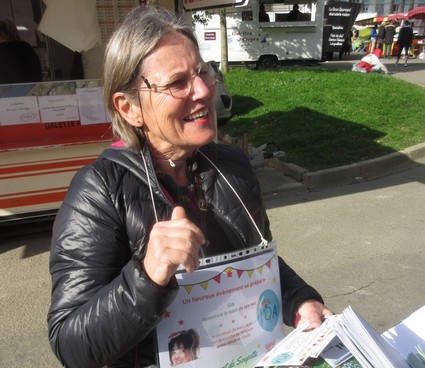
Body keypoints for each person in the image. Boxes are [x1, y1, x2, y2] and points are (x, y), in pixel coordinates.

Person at [47, 6, 333, 368]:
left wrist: (298, 300)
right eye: (177, 82)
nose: (202, 91)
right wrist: (148, 275)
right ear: (129, 108)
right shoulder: (100, 190)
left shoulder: (231, 165)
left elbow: (256, 260)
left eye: (202, 71)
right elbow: (70, 344)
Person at [0, 19, 42, 84]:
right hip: (33, 90)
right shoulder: (27, 48)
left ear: (2, 35)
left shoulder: (3, 51)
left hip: (9, 92)